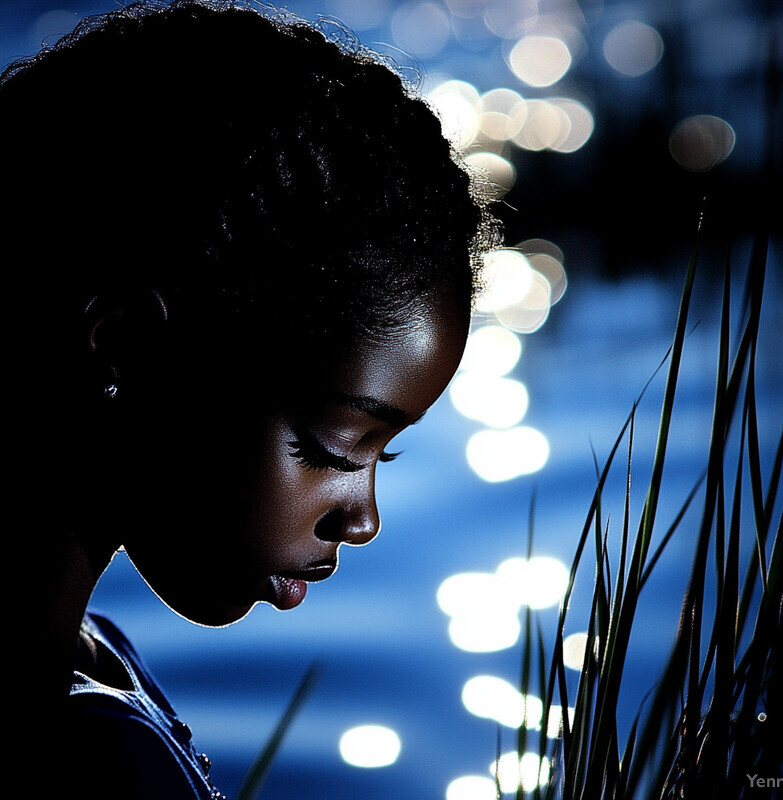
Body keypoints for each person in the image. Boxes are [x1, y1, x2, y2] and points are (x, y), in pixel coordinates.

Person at [1, 1, 499, 797]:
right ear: (127, 348)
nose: (362, 518)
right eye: (336, 449)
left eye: (384, 453)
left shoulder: (96, 658)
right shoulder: (81, 761)